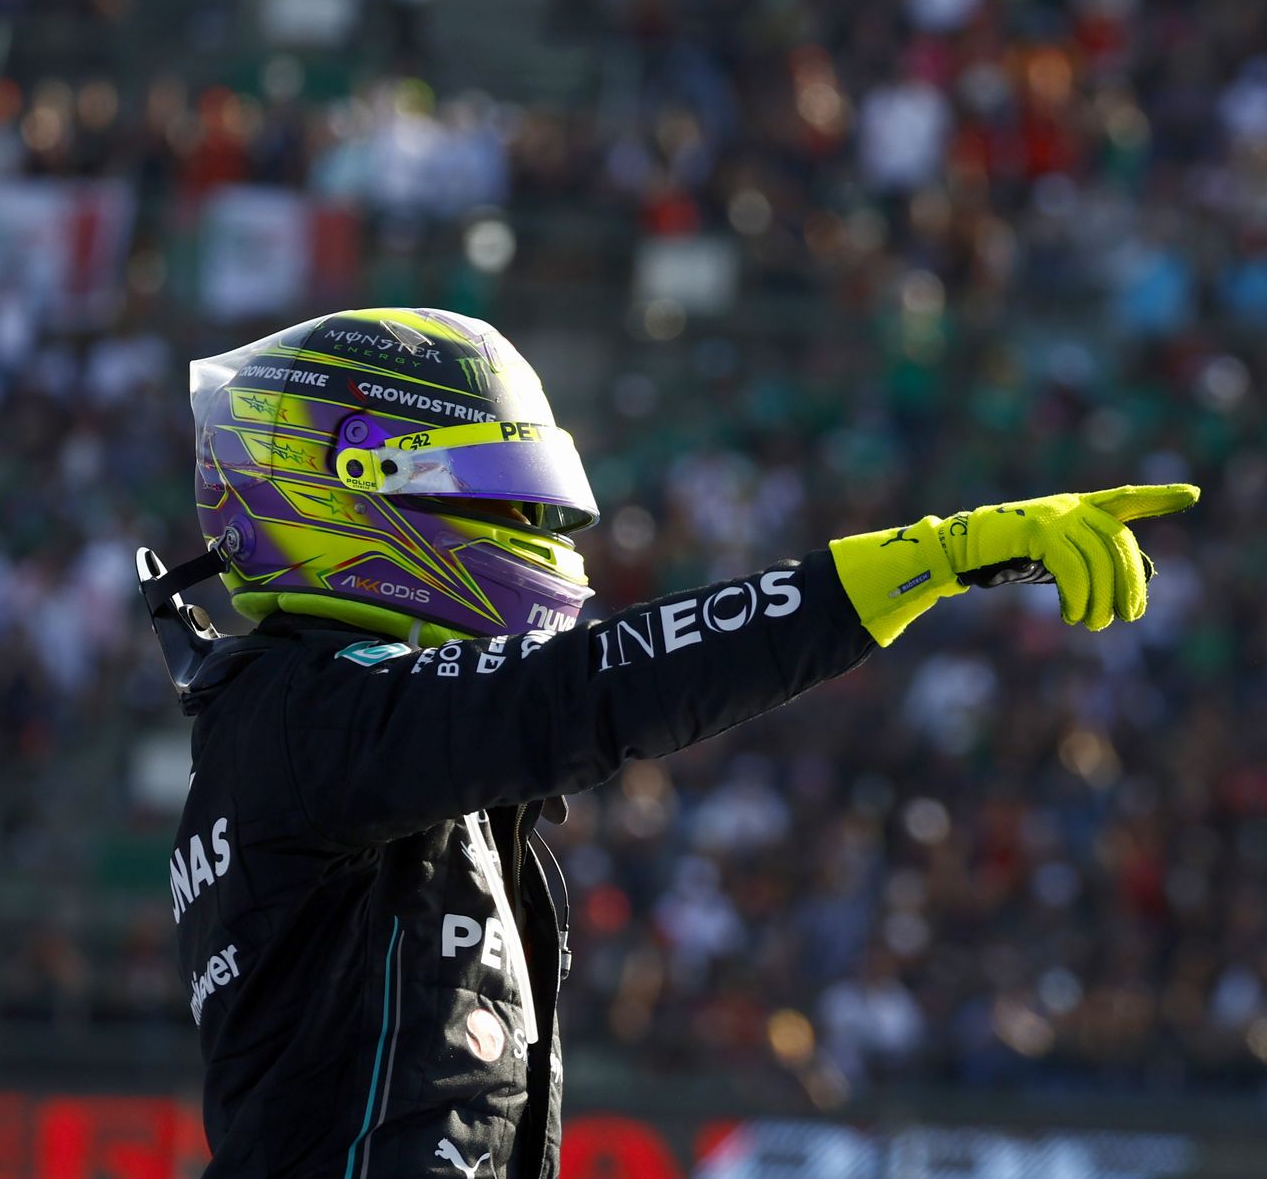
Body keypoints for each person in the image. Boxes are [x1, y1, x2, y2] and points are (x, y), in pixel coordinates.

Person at [159, 307, 1197, 1178]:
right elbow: (596, 688)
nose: (533, 533)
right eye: (491, 497)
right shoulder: (306, 718)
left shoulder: (341, 736)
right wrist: (929, 558)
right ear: (345, 480)